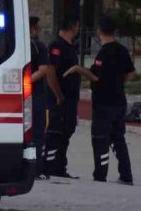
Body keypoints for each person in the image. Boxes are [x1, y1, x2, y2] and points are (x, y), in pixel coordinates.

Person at [67, 16, 135, 184]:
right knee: (118, 138)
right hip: (119, 101)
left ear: (99, 32)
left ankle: (100, 175)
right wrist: (118, 82)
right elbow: (130, 73)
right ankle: (126, 175)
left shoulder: (103, 53)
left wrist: (78, 69)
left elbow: (96, 77)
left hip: (103, 104)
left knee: (100, 139)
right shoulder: (122, 50)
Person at [43, 15, 82, 178]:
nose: (79, 29)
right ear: (73, 26)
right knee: (55, 132)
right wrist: (58, 94)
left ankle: (60, 167)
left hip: (71, 98)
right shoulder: (56, 46)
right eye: (78, 26)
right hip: (59, 98)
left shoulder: (70, 46)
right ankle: (48, 166)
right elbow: (50, 72)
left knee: (67, 129)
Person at [29, 16, 62, 177]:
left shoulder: (13, 44)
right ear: (34, 28)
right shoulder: (39, 46)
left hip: (16, 95)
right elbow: (43, 70)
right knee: (38, 132)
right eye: (38, 27)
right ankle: (37, 169)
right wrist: (24, 83)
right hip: (35, 95)